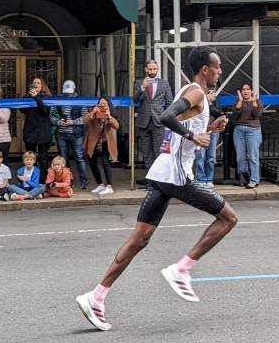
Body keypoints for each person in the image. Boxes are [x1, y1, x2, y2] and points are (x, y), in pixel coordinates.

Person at [76, 46, 238, 331]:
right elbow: (165, 118)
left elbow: (183, 127)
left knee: (140, 239)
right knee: (228, 218)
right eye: (218, 67)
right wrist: (193, 135)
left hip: (164, 171)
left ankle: (96, 296)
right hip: (176, 174)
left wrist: (209, 130)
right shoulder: (196, 92)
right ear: (205, 69)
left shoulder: (192, 93)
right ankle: (181, 270)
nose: (220, 71)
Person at [133, 60, 173, 180]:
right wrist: (141, 88)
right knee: (147, 153)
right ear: (146, 69)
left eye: (154, 69)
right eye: (150, 69)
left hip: (158, 122)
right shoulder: (139, 83)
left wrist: (166, 118)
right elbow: (134, 100)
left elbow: (170, 102)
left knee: (159, 152)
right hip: (144, 122)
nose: (152, 71)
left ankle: (160, 180)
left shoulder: (164, 84)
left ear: (158, 69)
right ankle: (151, 181)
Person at [50, 80, 88, 189]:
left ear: (74, 90)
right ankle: (67, 180)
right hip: (61, 133)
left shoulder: (80, 101)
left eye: (69, 92)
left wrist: (73, 122)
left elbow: (85, 117)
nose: (68, 94)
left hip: (76, 134)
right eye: (66, 92)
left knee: (79, 158)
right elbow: (52, 115)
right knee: (63, 159)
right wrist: (57, 122)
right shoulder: (58, 101)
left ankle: (83, 181)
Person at [83, 97, 119, 195]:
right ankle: (100, 184)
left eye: (105, 104)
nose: (103, 106)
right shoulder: (93, 113)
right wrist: (93, 113)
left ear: (108, 106)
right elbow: (84, 121)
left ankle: (109, 186)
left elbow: (116, 126)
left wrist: (109, 117)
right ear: (97, 105)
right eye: (101, 104)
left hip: (105, 142)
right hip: (93, 142)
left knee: (105, 163)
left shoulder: (109, 114)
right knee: (92, 163)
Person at [232, 83, 263, 188]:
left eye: (247, 89)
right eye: (243, 89)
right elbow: (235, 113)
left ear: (251, 91)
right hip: (239, 130)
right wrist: (240, 100)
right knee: (240, 157)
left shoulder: (257, 102)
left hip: (253, 130)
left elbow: (257, 114)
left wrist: (254, 101)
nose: (245, 91)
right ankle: (244, 178)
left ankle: (254, 180)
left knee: (253, 156)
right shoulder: (238, 101)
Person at [21, 78, 52, 183]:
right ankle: (31, 180)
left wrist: (37, 97)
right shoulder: (28, 96)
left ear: (42, 85)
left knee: (43, 158)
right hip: (30, 131)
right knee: (30, 157)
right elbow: (22, 109)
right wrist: (28, 96)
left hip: (43, 132)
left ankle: (43, 181)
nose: (36, 85)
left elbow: (44, 111)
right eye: (34, 83)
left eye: (38, 83)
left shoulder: (47, 97)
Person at [195, 88, 222, 188]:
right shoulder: (199, 100)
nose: (211, 94)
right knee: (200, 157)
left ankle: (209, 179)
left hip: (213, 131)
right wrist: (205, 101)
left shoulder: (215, 102)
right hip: (201, 131)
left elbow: (219, 113)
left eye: (212, 93)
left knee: (211, 157)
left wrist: (210, 104)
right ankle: (201, 178)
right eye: (208, 92)